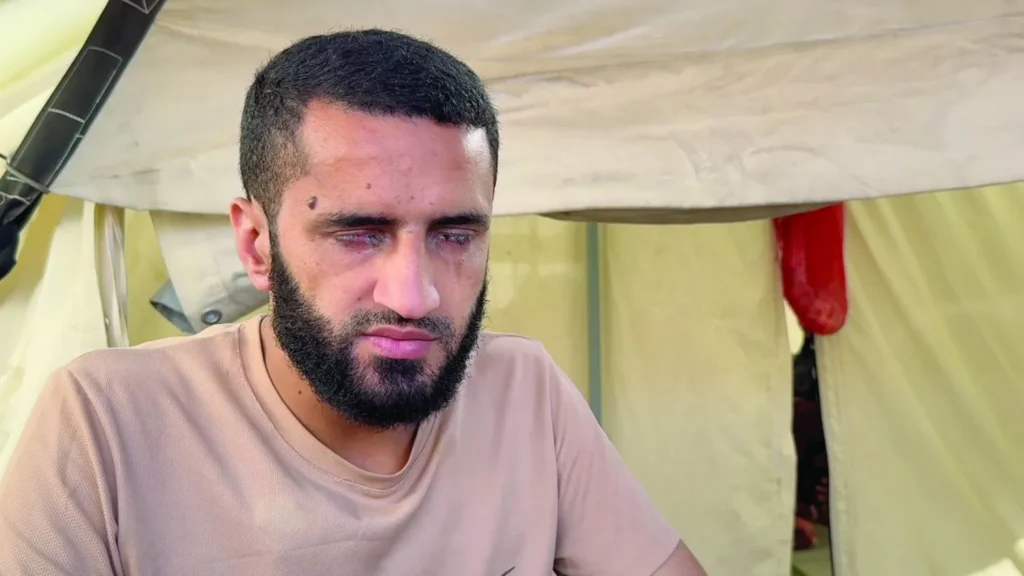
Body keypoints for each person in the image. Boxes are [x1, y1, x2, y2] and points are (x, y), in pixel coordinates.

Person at [0, 30, 705, 575]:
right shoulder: (106, 423)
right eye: (359, 235)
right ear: (256, 244)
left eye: (455, 235)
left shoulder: (524, 392)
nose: (414, 296)